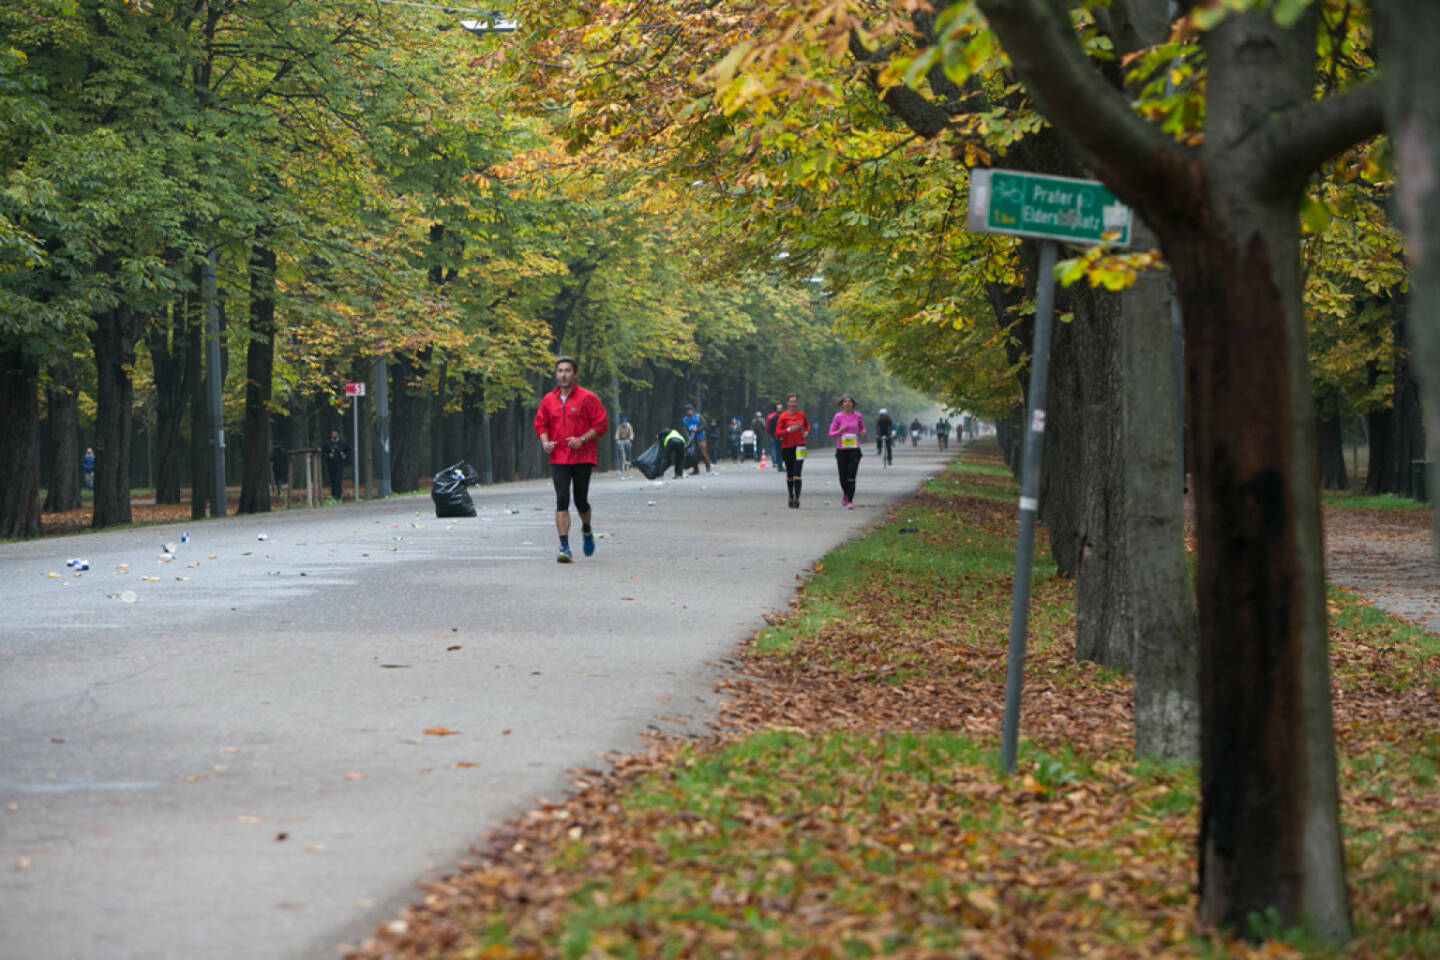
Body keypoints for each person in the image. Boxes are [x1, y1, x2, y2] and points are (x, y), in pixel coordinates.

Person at [534, 355, 609, 563]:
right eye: (560, 371)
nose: (564, 374)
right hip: (558, 456)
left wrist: (582, 439)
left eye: (568, 370)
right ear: (556, 374)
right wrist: (545, 442)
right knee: (562, 499)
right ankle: (564, 546)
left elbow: (602, 424)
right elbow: (541, 424)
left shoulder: (587, 398)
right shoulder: (548, 400)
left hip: (582, 456)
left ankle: (586, 528)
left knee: (580, 500)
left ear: (575, 374)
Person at [828, 395, 866, 509]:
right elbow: (831, 433)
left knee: (852, 475)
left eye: (850, 402)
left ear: (853, 404)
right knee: (843, 476)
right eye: (845, 402)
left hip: (854, 449)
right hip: (841, 450)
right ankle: (845, 493)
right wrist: (839, 431)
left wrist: (863, 432)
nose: (848, 403)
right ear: (841, 404)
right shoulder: (838, 417)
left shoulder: (858, 416)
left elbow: (862, 428)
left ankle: (850, 499)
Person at [774, 393, 811, 508]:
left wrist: (807, 432)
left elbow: (807, 426)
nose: (793, 404)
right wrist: (789, 429)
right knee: (790, 473)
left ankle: (797, 498)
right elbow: (777, 432)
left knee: (797, 473)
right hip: (787, 447)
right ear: (787, 403)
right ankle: (791, 495)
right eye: (791, 402)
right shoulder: (783, 416)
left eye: (795, 401)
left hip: (800, 446)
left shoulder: (801, 414)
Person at [682, 403, 714, 476]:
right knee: (692, 454)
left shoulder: (698, 416)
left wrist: (698, 429)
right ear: (686, 412)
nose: (690, 412)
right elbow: (684, 430)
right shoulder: (684, 420)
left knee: (704, 453)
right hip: (692, 440)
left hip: (700, 437)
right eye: (688, 411)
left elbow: (704, 425)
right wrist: (688, 437)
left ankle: (708, 469)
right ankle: (696, 469)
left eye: (691, 410)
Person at [322, 429, 348, 500]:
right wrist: (328, 455)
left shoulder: (342, 443)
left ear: (338, 434)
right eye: (333, 433)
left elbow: (347, 451)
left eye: (335, 433)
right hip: (331, 464)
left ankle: (338, 495)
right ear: (331, 435)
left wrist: (344, 455)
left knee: (338, 479)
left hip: (340, 464)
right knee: (332, 479)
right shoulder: (327, 443)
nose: (334, 435)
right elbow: (323, 453)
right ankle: (333, 495)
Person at [765, 402, 784, 469]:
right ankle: (779, 465)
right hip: (777, 437)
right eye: (778, 408)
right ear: (776, 409)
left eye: (781, 408)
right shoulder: (773, 418)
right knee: (777, 450)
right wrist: (773, 435)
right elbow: (770, 427)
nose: (780, 410)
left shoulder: (785, 417)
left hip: (785, 437)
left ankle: (781, 462)